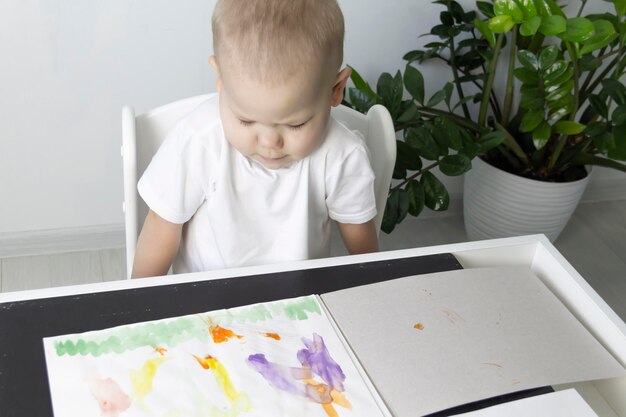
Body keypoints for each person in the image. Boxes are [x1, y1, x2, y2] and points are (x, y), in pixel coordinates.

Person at [132, 0, 378, 278]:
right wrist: (140, 309)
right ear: (221, 80)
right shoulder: (199, 140)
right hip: (205, 301)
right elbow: (160, 231)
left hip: (303, 298)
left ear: (336, 90)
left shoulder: (342, 153)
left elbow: (363, 250)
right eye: (246, 120)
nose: (269, 142)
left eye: (295, 124)